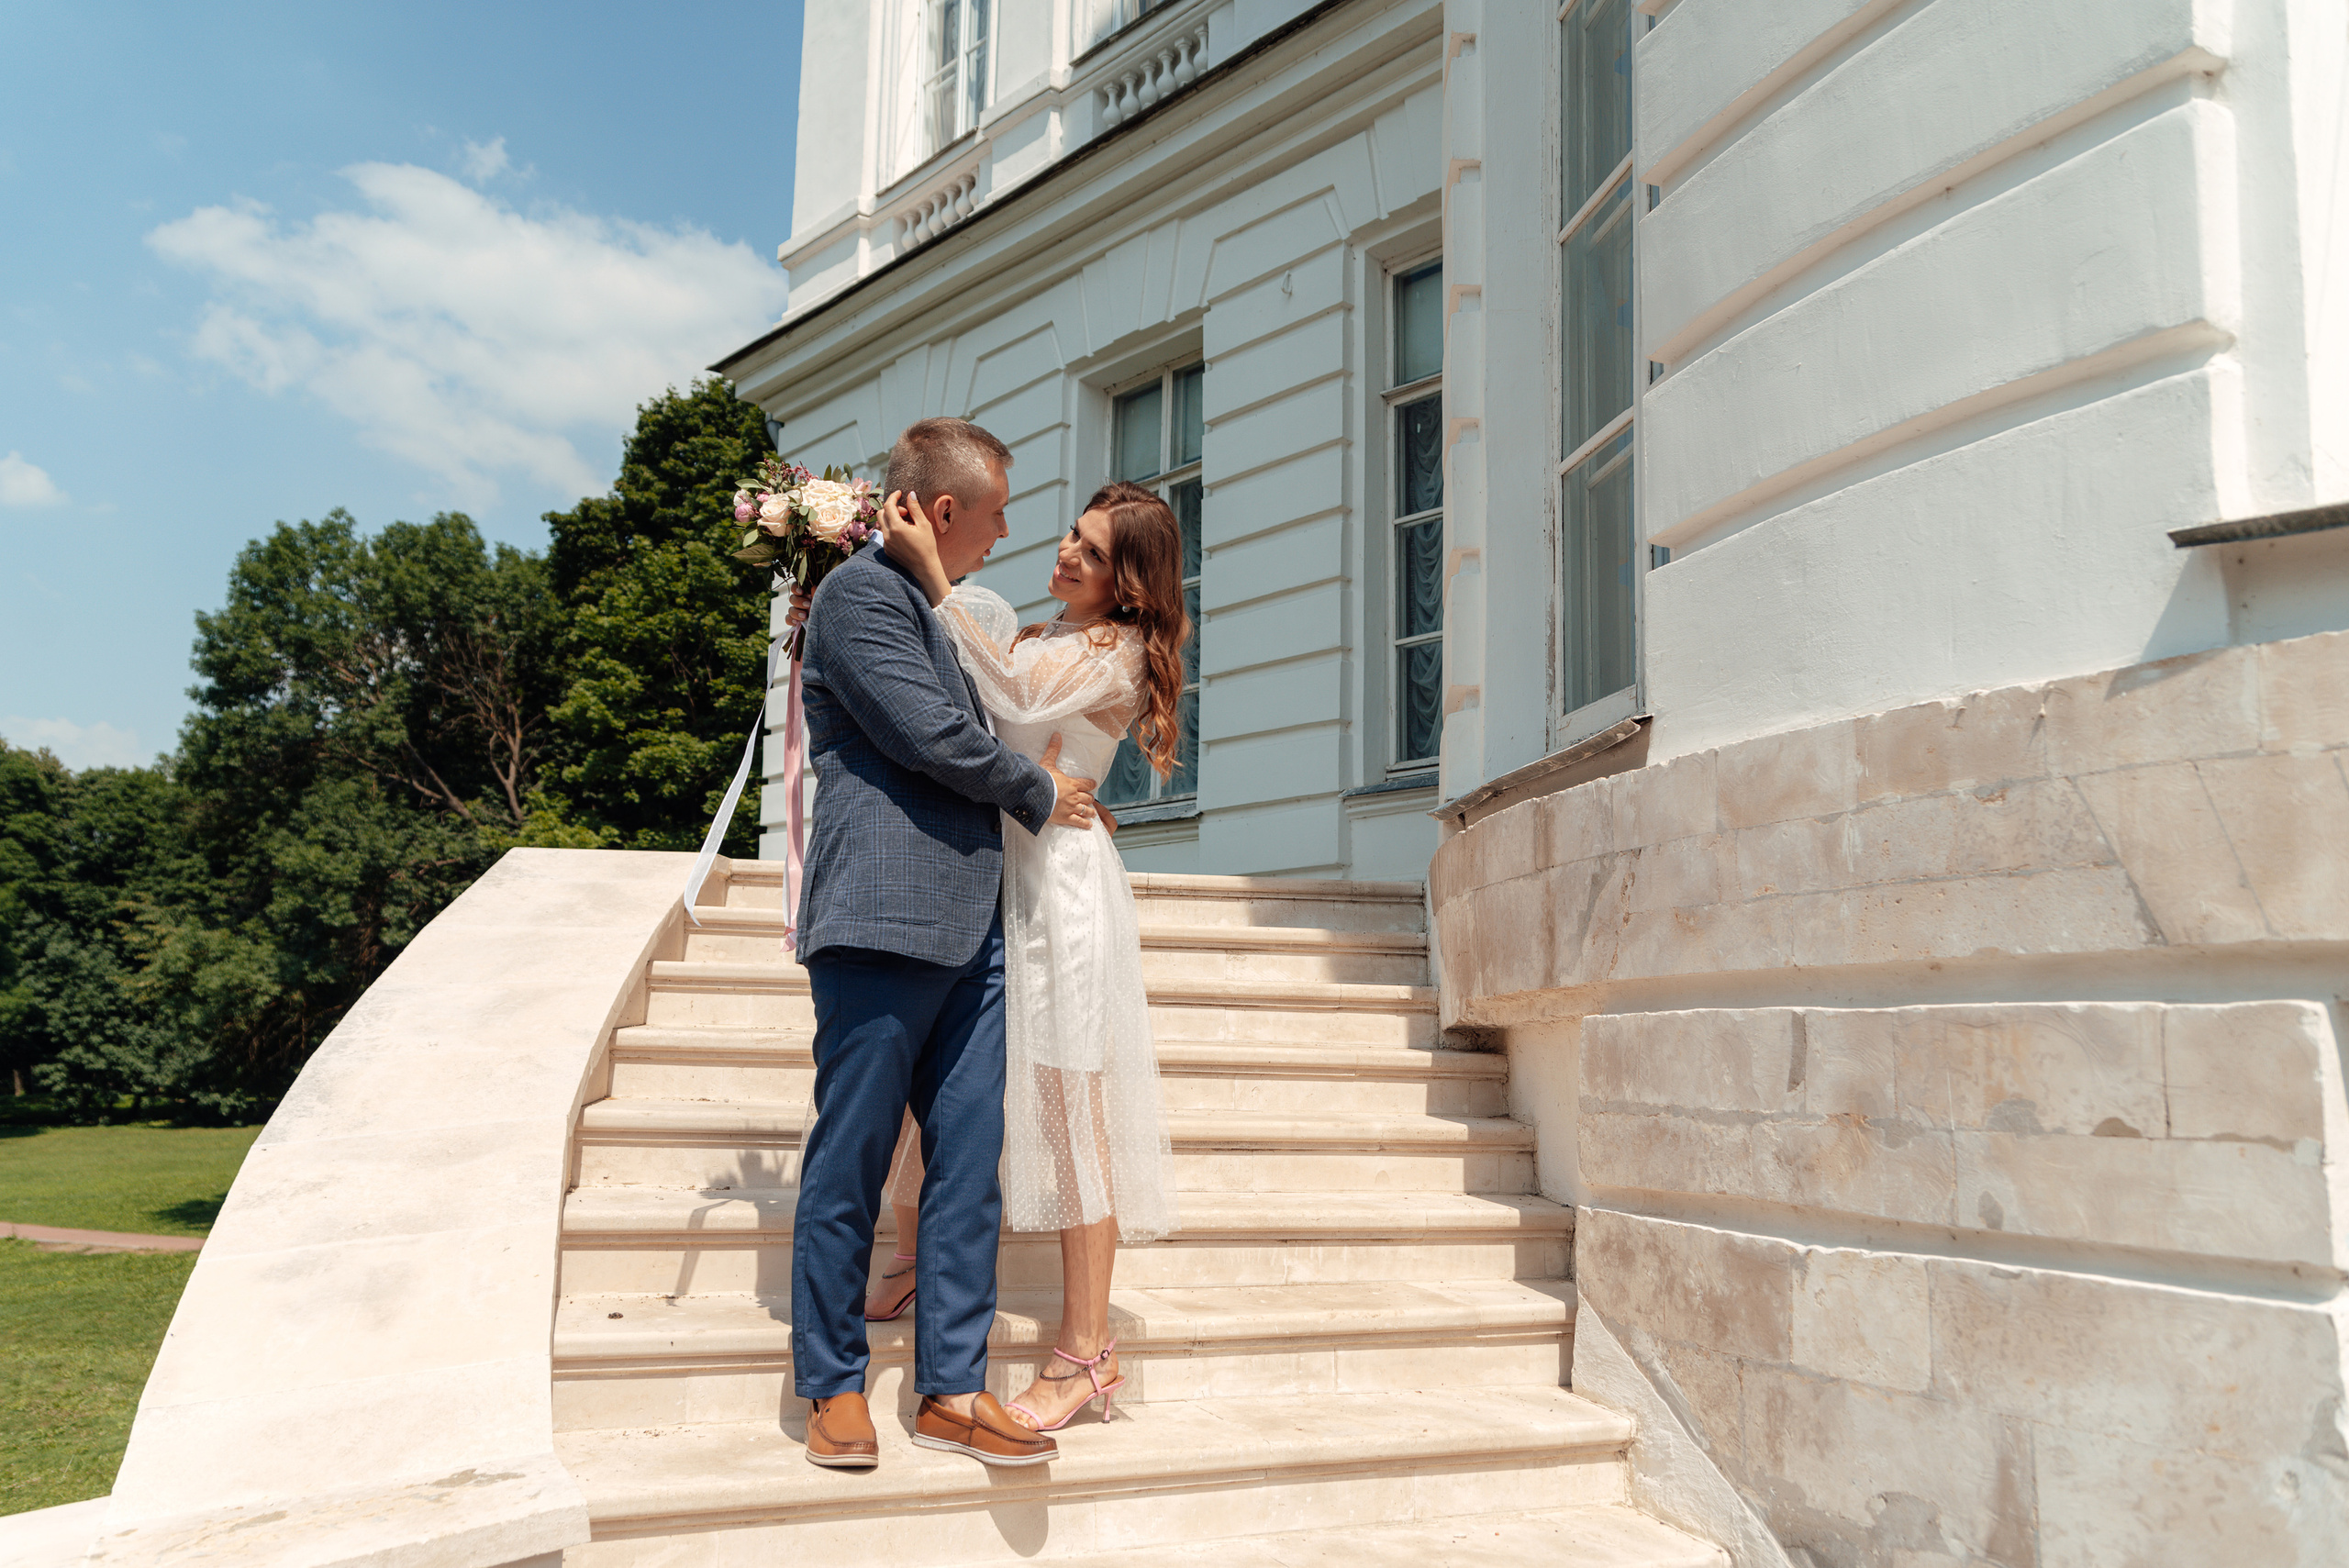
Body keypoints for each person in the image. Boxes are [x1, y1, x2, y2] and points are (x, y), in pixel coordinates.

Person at [788, 417, 1104, 1472]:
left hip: (977, 931)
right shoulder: (861, 597)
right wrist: (1040, 788)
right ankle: (833, 1383)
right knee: (855, 1157)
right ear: (941, 510)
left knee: (969, 1168)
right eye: (1000, 510)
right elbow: (931, 733)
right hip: (879, 917)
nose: (1009, 532)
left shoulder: (934, 604)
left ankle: (951, 1389)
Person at [870, 477, 1187, 1432]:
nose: (1064, 554)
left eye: (1089, 553)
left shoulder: (1115, 648)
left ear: (1127, 585)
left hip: (1061, 894)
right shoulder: (1036, 630)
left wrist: (931, 573)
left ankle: (1087, 1350)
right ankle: (907, 1258)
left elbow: (1007, 695)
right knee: (947, 1075)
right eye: (1070, 537)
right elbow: (981, 714)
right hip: (996, 868)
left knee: (1067, 1109)